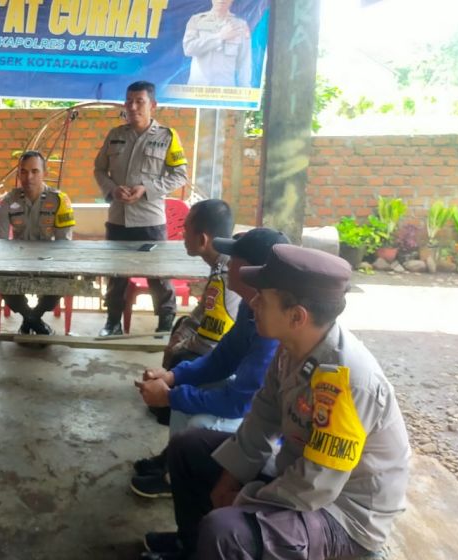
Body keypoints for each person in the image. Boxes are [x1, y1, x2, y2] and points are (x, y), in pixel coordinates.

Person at [143, 245, 410, 560]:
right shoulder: (291, 348)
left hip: (344, 515)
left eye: (263, 299)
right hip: (296, 472)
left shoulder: (345, 382)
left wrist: (242, 498)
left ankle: (210, 543)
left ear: (297, 316)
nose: (252, 303)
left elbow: (315, 487)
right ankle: (191, 547)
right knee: (188, 447)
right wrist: (229, 480)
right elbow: (260, 421)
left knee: (226, 531)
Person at [131, 228, 286, 500]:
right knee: (184, 392)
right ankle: (174, 467)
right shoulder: (251, 306)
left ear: (252, 271)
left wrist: (170, 396)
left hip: (273, 432)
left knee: (199, 424)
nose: (227, 263)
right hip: (251, 403)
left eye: (234, 259)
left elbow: (240, 403)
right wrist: (172, 378)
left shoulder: (273, 326)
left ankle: (182, 477)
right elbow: (222, 359)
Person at [95, 81, 188, 337]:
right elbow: (99, 169)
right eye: (129, 102)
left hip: (150, 221)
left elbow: (180, 175)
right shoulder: (115, 135)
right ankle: (112, 322)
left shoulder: (167, 137)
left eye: (140, 102)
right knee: (116, 274)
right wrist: (112, 189)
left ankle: (165, 323)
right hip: (118, 219)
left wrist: (146, 189)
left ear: (153, 105)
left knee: (157, 274)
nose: (133, 107)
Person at [0, 151, 76, 335]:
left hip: (48, 262)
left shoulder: (60, 200)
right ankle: (34, 320)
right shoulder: (7, 202)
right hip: (17, 262)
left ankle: (31, 318)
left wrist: (52, 264)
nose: (28, 177)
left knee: (67, 275)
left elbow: (64, 245)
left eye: (34, 171)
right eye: (23, 172)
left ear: (44, 173)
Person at [160, 198, 240, 372]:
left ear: (202, 240)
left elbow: (208, 343)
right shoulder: (221, 263)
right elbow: (203, 309)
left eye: (186, 230)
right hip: (224, 341)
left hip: (230, 360)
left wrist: (176, 348)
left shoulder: (225, 277)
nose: (182, 234)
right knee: (182, 325)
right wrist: (180, 335)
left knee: (182, 357)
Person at [183, 0, 252, 87]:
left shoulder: (241, 25)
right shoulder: (196, 20)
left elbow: (244, 62)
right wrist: (220, 37)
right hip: (197, 89)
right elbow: (188, 49)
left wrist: (245, 89)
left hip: (225, 90)